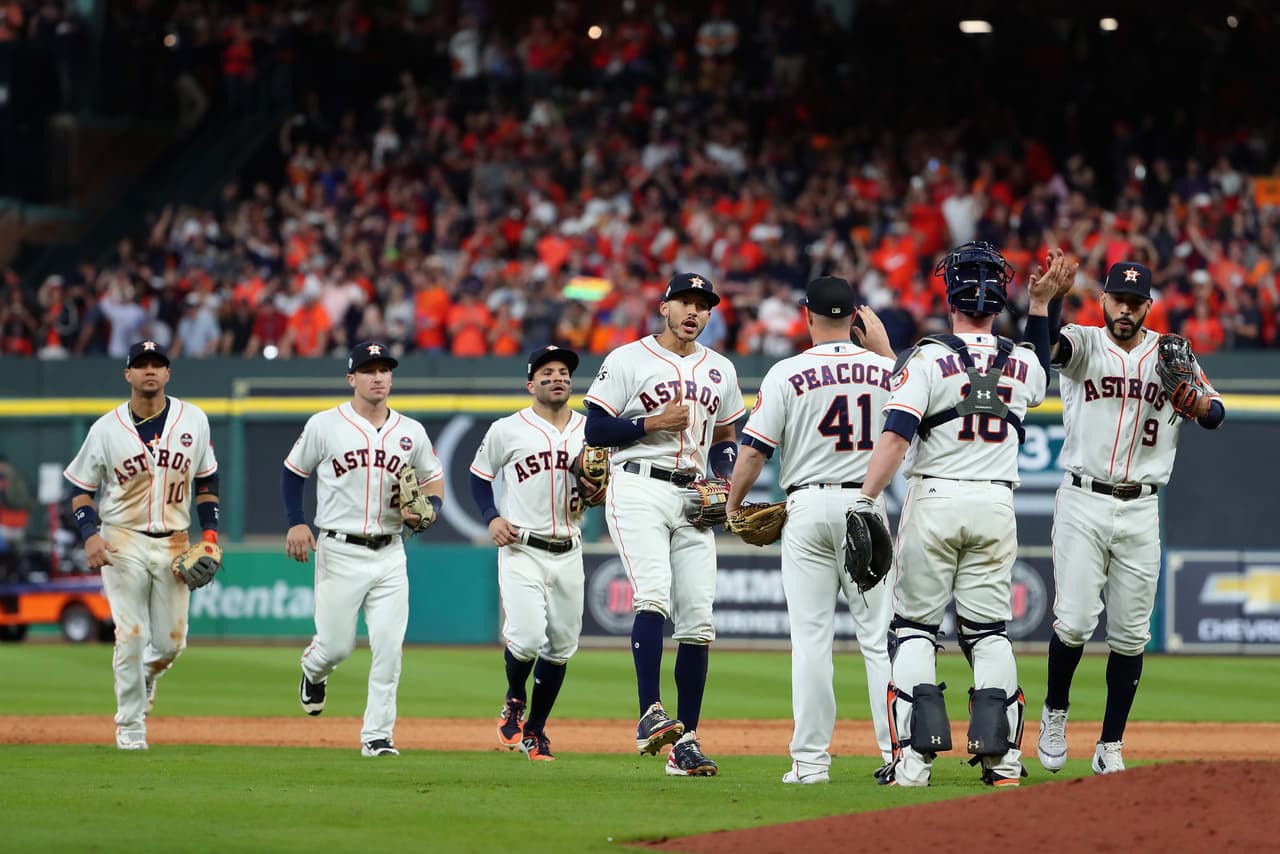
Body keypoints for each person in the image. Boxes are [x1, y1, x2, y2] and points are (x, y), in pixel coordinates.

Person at [854, 243, 1065, 787]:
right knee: (989, 633)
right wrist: (1041, 307)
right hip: (996, 502)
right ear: (1000, 296)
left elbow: (897, 437)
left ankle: (914, 764)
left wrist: (866, 497)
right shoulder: (1020, 361)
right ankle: (1004, 763)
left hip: (937, 499)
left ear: (949, 294)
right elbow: (1040, 374)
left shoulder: (925, 357)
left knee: (914, 631)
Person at [1036, 262, 1225, 776]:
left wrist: (1199, 403)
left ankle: (1109, 745)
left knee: (1131, 635)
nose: (1125, 308)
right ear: (1103, 300)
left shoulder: (1170, 353)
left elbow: (1214, 410)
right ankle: (1055, 713)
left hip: (1142, 506)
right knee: (1073, 622)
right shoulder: (1083, 343)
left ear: (1148, 306)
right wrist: (1046, 304)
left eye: (1135, 301)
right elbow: (1042, 353)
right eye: (1117, 298)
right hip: (1083, 499)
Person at [724, 276, 898, 785]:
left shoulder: (786, 372)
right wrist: (886, 352)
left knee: (811, 642)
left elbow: (754, 451)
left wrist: (735, 504)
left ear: (806, 315)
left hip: (805, 505)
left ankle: (809, 763)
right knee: (876, 640)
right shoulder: (889, 370)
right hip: (866, 502)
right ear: (855, 318)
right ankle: (899, 754)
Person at [583, 272, 746, 777]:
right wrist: (650, 423)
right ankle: (650, 713)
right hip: (638, 484)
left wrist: (724, 476)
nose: (694, 312)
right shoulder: (628, 359)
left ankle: (686, 743)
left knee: (698, 618)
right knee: (653, 594)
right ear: (665, 308)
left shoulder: (721, 368)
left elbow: (724, 435)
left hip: (694, 493)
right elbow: (594, 426)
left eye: (703, 305)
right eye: (686, 303)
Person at [281, 341, 444, 757]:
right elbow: (292, 473)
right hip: (339, 549)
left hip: (391, 552)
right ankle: (313, 669)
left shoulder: (411, 432)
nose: (378, 377)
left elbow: (434, 480)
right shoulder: (325, 425)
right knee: (336, 646)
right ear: (352, 378)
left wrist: (431, 509)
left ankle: (377, 736)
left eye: (384, 369)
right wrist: (296, 522)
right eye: (369, 370)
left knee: (389, 649)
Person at [63, 340, 221, 750]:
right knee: (129, 633)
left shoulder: (195, 420)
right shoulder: (105, 429)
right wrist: (90, 534)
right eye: (141, 364)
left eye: (158, 364)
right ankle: (130, 728)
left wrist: (210, 536)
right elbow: (80, 490)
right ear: (128, 374)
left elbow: (206, 480)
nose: (150, 370)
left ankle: (147, 674)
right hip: (121, 538)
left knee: (170, 644)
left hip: (175, 540)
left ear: (168, 373)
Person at [469, 345, 589, 762]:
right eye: (547, 372)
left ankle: (536, 731)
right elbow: (479, 477)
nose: (558, 377)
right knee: (526, 638)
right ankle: (515, 696)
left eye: (564, 372)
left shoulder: (589, 431)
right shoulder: (508, 429)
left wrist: (598, 488)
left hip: (570, 548)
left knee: (560, 647)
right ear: (530, 384)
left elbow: (602, 486)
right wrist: (490, 516)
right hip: (523, 547)